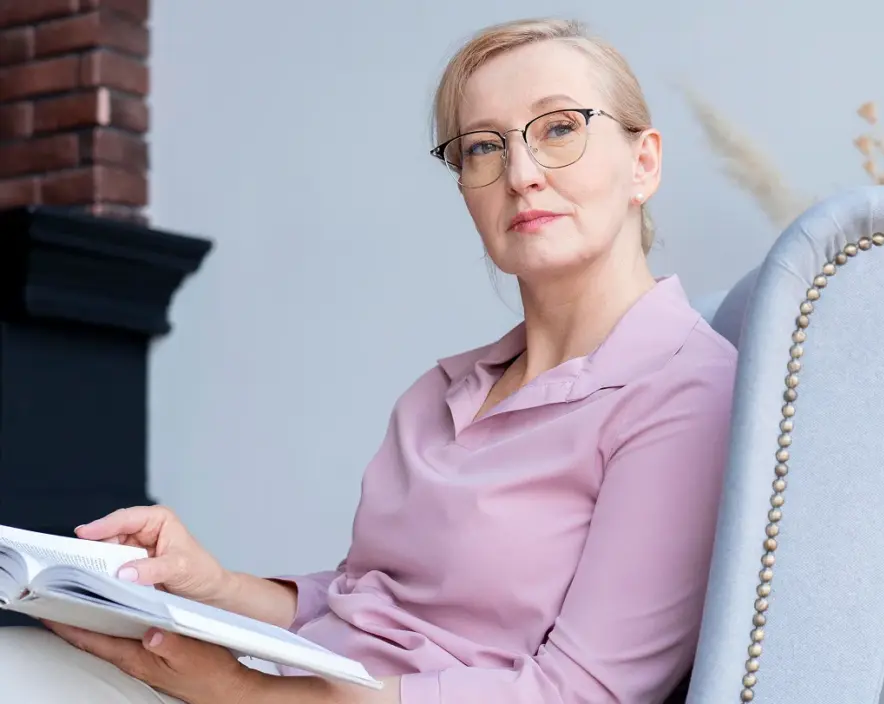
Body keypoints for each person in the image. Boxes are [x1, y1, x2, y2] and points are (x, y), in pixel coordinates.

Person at [0, 16, 737, 704]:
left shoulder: (684, 392)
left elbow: (581, 693)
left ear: (644, 163)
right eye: (483, 146)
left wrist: (244, 693)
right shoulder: (441, 394)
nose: (521, 173)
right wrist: (212, 584)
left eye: (559, 129)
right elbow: (364, 602)